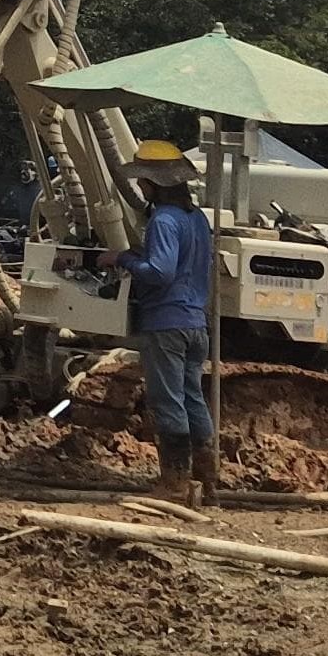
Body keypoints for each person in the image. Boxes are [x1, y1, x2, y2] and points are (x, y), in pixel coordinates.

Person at [114, 139, 218, 503]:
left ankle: (175, 483)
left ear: (153, 184)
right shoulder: (198, 219)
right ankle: (208, 482)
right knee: (193, 398)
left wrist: (123, 259)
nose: (141, 187)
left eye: (143, 181)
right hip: (195, 323)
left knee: (168, 401)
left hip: (166, 323)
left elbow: (160, 271)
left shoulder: (163, 220)